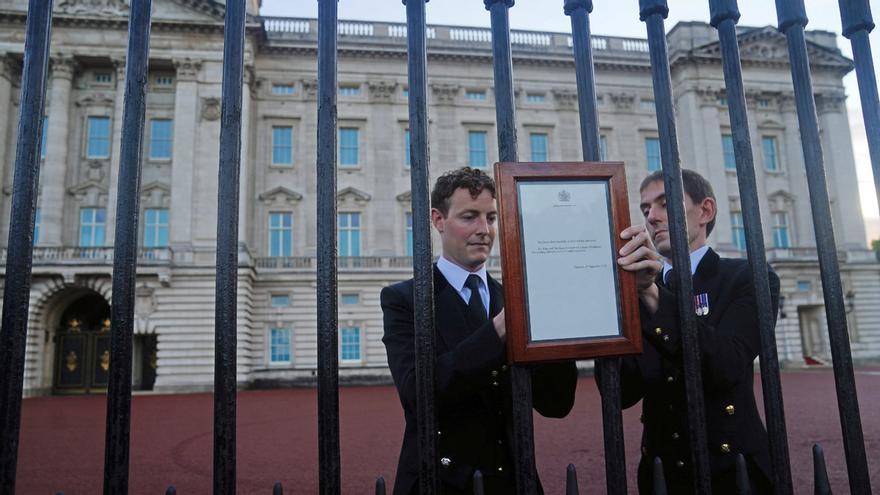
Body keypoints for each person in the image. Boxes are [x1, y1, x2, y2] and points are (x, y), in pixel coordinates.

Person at [381, 167, 577, 495]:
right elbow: (418, 394)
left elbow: (556, 404)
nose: (484, 230)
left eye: (491, 217)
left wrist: (557, 326)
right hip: (442, 480)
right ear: (438, 220)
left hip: (514, 480)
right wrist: (498, 329)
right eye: (469, 217)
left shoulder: (513, 296)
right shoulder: (404, 300)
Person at [610, 169, 778, 494]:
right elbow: (621, 393)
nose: (652, 217)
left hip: (733, 469)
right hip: (662, 473)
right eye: (646, 209)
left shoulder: (746, 277)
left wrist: (652, 296)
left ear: (706, 211)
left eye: (665, 203)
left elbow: (727, 364)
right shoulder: (637, 290)